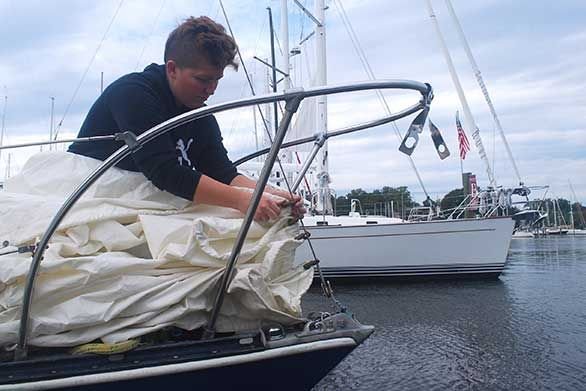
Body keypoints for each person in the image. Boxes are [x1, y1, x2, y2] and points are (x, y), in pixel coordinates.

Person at [68, 16, 303, 222]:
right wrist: (243, 200)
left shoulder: (199, 114)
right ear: (172, 69)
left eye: (217, 80)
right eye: (202, 79)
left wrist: (274, 196)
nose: (211, 89)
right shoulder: (133, 93)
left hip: (147, 202)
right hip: (91, 195)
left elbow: (223, 173)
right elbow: (165, 172)